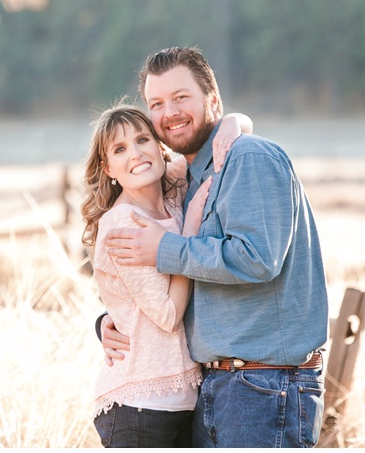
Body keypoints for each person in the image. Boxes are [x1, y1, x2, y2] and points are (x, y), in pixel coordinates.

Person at [98, 47, 329, 448]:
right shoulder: (190, 177)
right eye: (157, 103)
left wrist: (167, 248)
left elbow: (257, 258)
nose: (170, 112)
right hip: (215, 385)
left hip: (265, 383)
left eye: (181, 97)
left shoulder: (248, 158)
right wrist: (108, 320)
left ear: (214, 100)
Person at [82, 102, 251, 448]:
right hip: (139, 406)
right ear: (108, 168)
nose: (136, 154)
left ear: (160, 147)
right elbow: (167, 315)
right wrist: (187, 235)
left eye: (143, 140)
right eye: (120, 149)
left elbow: (221, 142)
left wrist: (236, 121)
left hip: (185, 401)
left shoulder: (172, 187)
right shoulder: (123, 224)